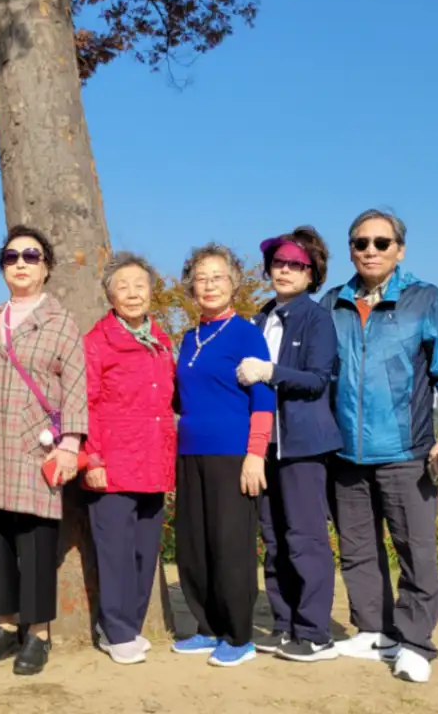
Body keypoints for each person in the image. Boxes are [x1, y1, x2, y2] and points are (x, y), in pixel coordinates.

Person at [324, 208, 438, 684]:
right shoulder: (332, 303)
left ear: (400, 250)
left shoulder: (426, 300)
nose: (370, 250)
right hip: (345, 454)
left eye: (381, 243)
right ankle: (373, 631)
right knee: (358, 549)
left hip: (408, 451)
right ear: (350, 248)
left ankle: (414, 643)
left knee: (416, 551)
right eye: (360, 242)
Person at [0, 225, 89, 676]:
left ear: (46, 267)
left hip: (39, 447)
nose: (20, 263)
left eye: (31, 256)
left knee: (37, 541)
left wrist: (70, 447)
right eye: (11, 256)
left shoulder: (61, 323)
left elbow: (75, 388)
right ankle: (4, 625)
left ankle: (38, 632)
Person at [235, 227, 344, 662]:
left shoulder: (318, 318)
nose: (285, 270)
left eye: (296, 265)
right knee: (274, 538)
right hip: (265, 446)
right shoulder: (259, 318)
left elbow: (318, 379)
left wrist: (270, 371)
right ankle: (284, 624)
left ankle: (315, 631)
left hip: (303, 444)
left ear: (312, 273)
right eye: (279, 263)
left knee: (306, 538)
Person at [170, 243, 275, 668]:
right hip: (189, 454)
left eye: (218, 276)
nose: (209, 284)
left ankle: (239, 635)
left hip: (233, 455)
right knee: (194, 545)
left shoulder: (247, 333)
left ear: (233, 284)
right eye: (201, 277)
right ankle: (207, 626)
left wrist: (256, 455)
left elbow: (264, 398)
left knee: (231, 546)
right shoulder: (189, 337)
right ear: (191, 287)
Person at [80, 252, 176, 665]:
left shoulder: (161, 340)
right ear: (110, 295)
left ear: (152, 292)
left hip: (154, 463)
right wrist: (93, 459)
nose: (133, 293)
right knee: (115, 553)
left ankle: (127, 626)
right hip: (113, 465)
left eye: (140, 285)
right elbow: (84, 403)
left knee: (144, 550)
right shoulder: (97, 341)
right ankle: (116, 629)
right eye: (124, 286)